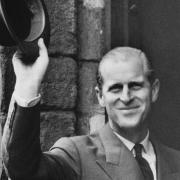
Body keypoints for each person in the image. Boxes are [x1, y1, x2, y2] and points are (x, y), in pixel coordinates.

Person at [2, 38, 180, 180]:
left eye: (135, 86)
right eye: (115, 88)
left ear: (154, 90)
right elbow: (24, 171)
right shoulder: (77, 154)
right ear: (100, 96)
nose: (126, 98)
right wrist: (28, 84)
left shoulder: (176, 161)